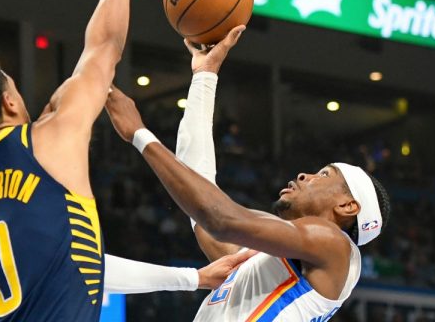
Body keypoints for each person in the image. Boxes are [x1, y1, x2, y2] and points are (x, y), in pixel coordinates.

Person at [0, 0, 251, 321]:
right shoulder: (50, 138)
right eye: (14, 84)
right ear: (9, 102)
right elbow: (103, 47)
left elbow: (80, 262)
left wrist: (192, 279)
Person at [105, 25, 391, 321]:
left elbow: (219, 217)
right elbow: (200, 192)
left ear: (347, 206)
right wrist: (205, 75)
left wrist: (139, 134)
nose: (305, 176)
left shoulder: (336, 245)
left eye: (324, 175)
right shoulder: (261, 260)